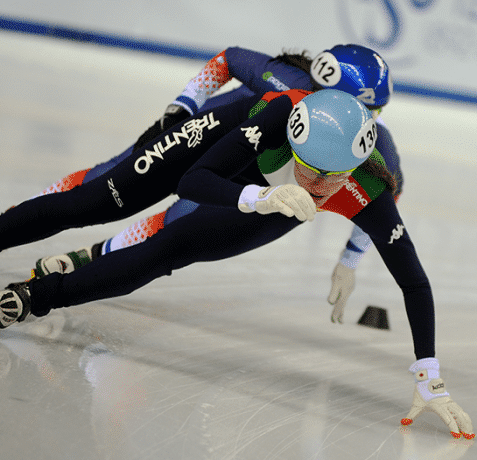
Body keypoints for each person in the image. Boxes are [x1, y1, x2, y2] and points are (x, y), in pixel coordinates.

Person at [0, 88, 475, 439]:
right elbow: (195, 179)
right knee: (129, 216)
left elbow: (414, 280)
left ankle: (35, 298)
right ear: (295, 142)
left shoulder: (366, 188)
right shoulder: (280, 115)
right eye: (309, 167)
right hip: (243, 171)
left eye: (333, 176)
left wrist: (428, 373)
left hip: (273, 206)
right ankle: (17, 271)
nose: (318, 184)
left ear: (355, 165)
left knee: (168, 252)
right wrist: (258, 196)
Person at [32, 45, 403, 324]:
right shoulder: (290, 81)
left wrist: (350, 260)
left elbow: (387, 193)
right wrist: (184, 106)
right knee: (104, 178)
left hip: (234, 167)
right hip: (193, 139)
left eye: (372, 114)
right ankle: (7, 224)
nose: (352, 122)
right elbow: (228, 59)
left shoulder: (373, 144)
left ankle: (93, 256)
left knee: (177, 224)